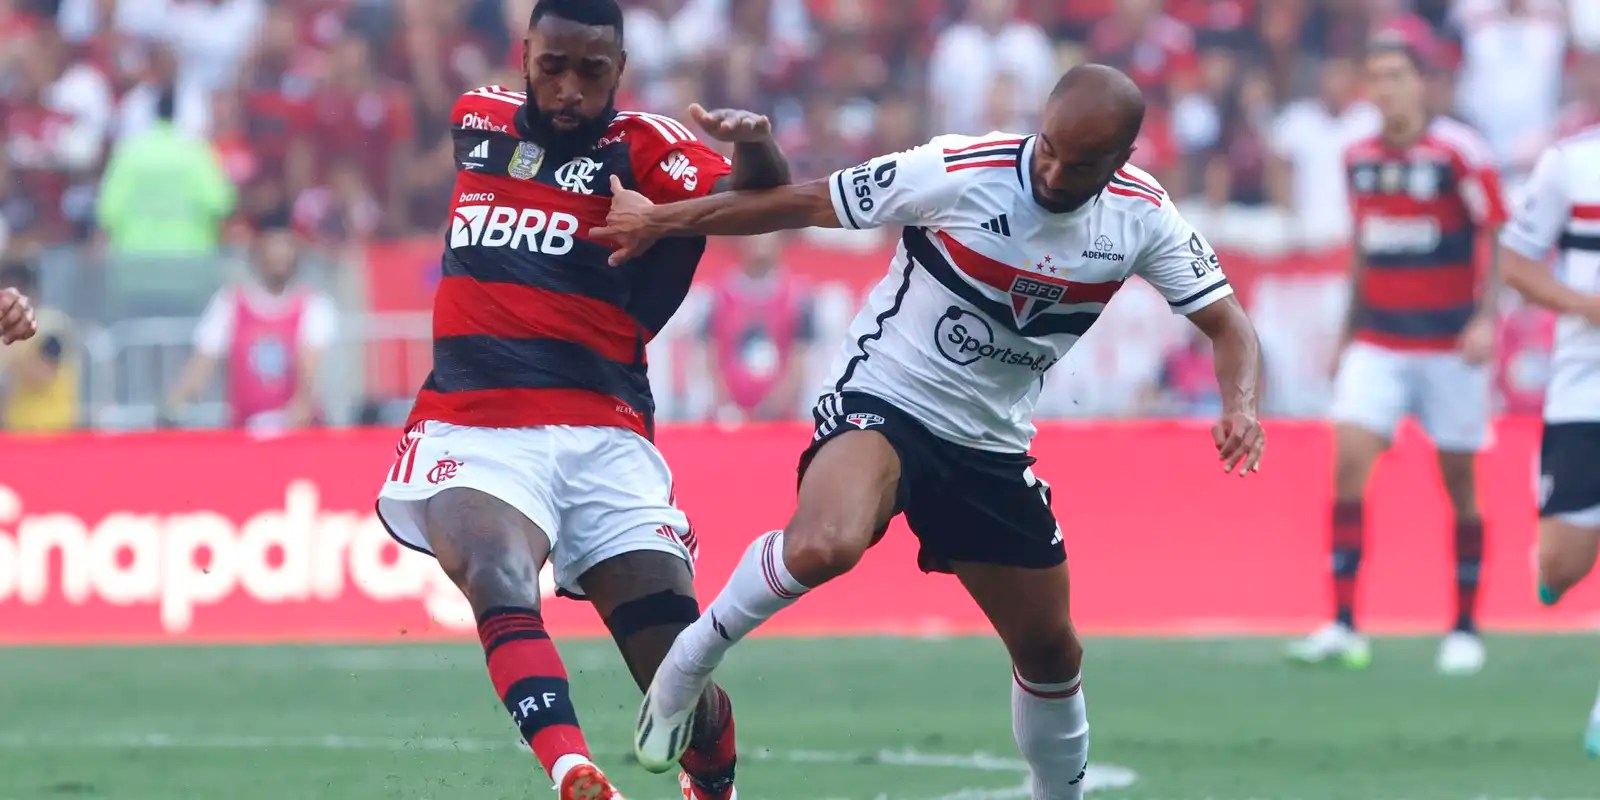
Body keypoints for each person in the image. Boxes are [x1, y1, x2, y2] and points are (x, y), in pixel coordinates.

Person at [596, 64, 1265, 800]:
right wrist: (659, 219)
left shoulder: (1142, 218)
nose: (1051, 170)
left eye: (1078, 166)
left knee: (1051, 650)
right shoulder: (959, 168)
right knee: (827, 542)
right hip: (887, 395)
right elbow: (804, 202)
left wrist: (1240, 405)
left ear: (1120, 164)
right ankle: (687, 664)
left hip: (990, 443)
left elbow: (1228, 324)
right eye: (1047, 148)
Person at [372, 2, 789, 799]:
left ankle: (711, 770)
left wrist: (754, 146)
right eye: (551, 66)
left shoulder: (649, 149)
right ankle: (574, 771)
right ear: (525, 56)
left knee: (672, 674)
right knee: (495, 570)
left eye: (590, 73)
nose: (567, 89)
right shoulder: (478, 119)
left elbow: (759, 199)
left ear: (619, 71)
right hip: (475, 421)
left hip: (606, 431)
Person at [1289, 34, 1507, 676]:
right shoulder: (1357, 157)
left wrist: (1487, 319)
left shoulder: (1459, 154)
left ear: (1422, 84)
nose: (1385, 89)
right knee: (1348, 465)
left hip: (1450, 346)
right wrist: (1345, 331)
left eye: (1396, 76)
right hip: (1380, 340)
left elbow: (1494, 233)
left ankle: (1466, 626)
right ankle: (1344, 623)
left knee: (1460, 484)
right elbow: (1365, 242)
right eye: (1375, 78)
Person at [1496, 124, 1600, 755]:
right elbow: (1515, 265)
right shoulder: (1571, 165)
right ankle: (1552, 568)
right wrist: (1587, 307)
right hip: (1584, 385)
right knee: (1565, 563)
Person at [164, 220, 337, 433]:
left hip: (297, 433)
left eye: (285, 249)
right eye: (272, 248)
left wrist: (291, 417)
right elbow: (202, 363)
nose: (279, 256)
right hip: (244, 430)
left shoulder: (313, 306)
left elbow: (309, 373)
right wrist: (176, 405)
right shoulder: (229, 304)